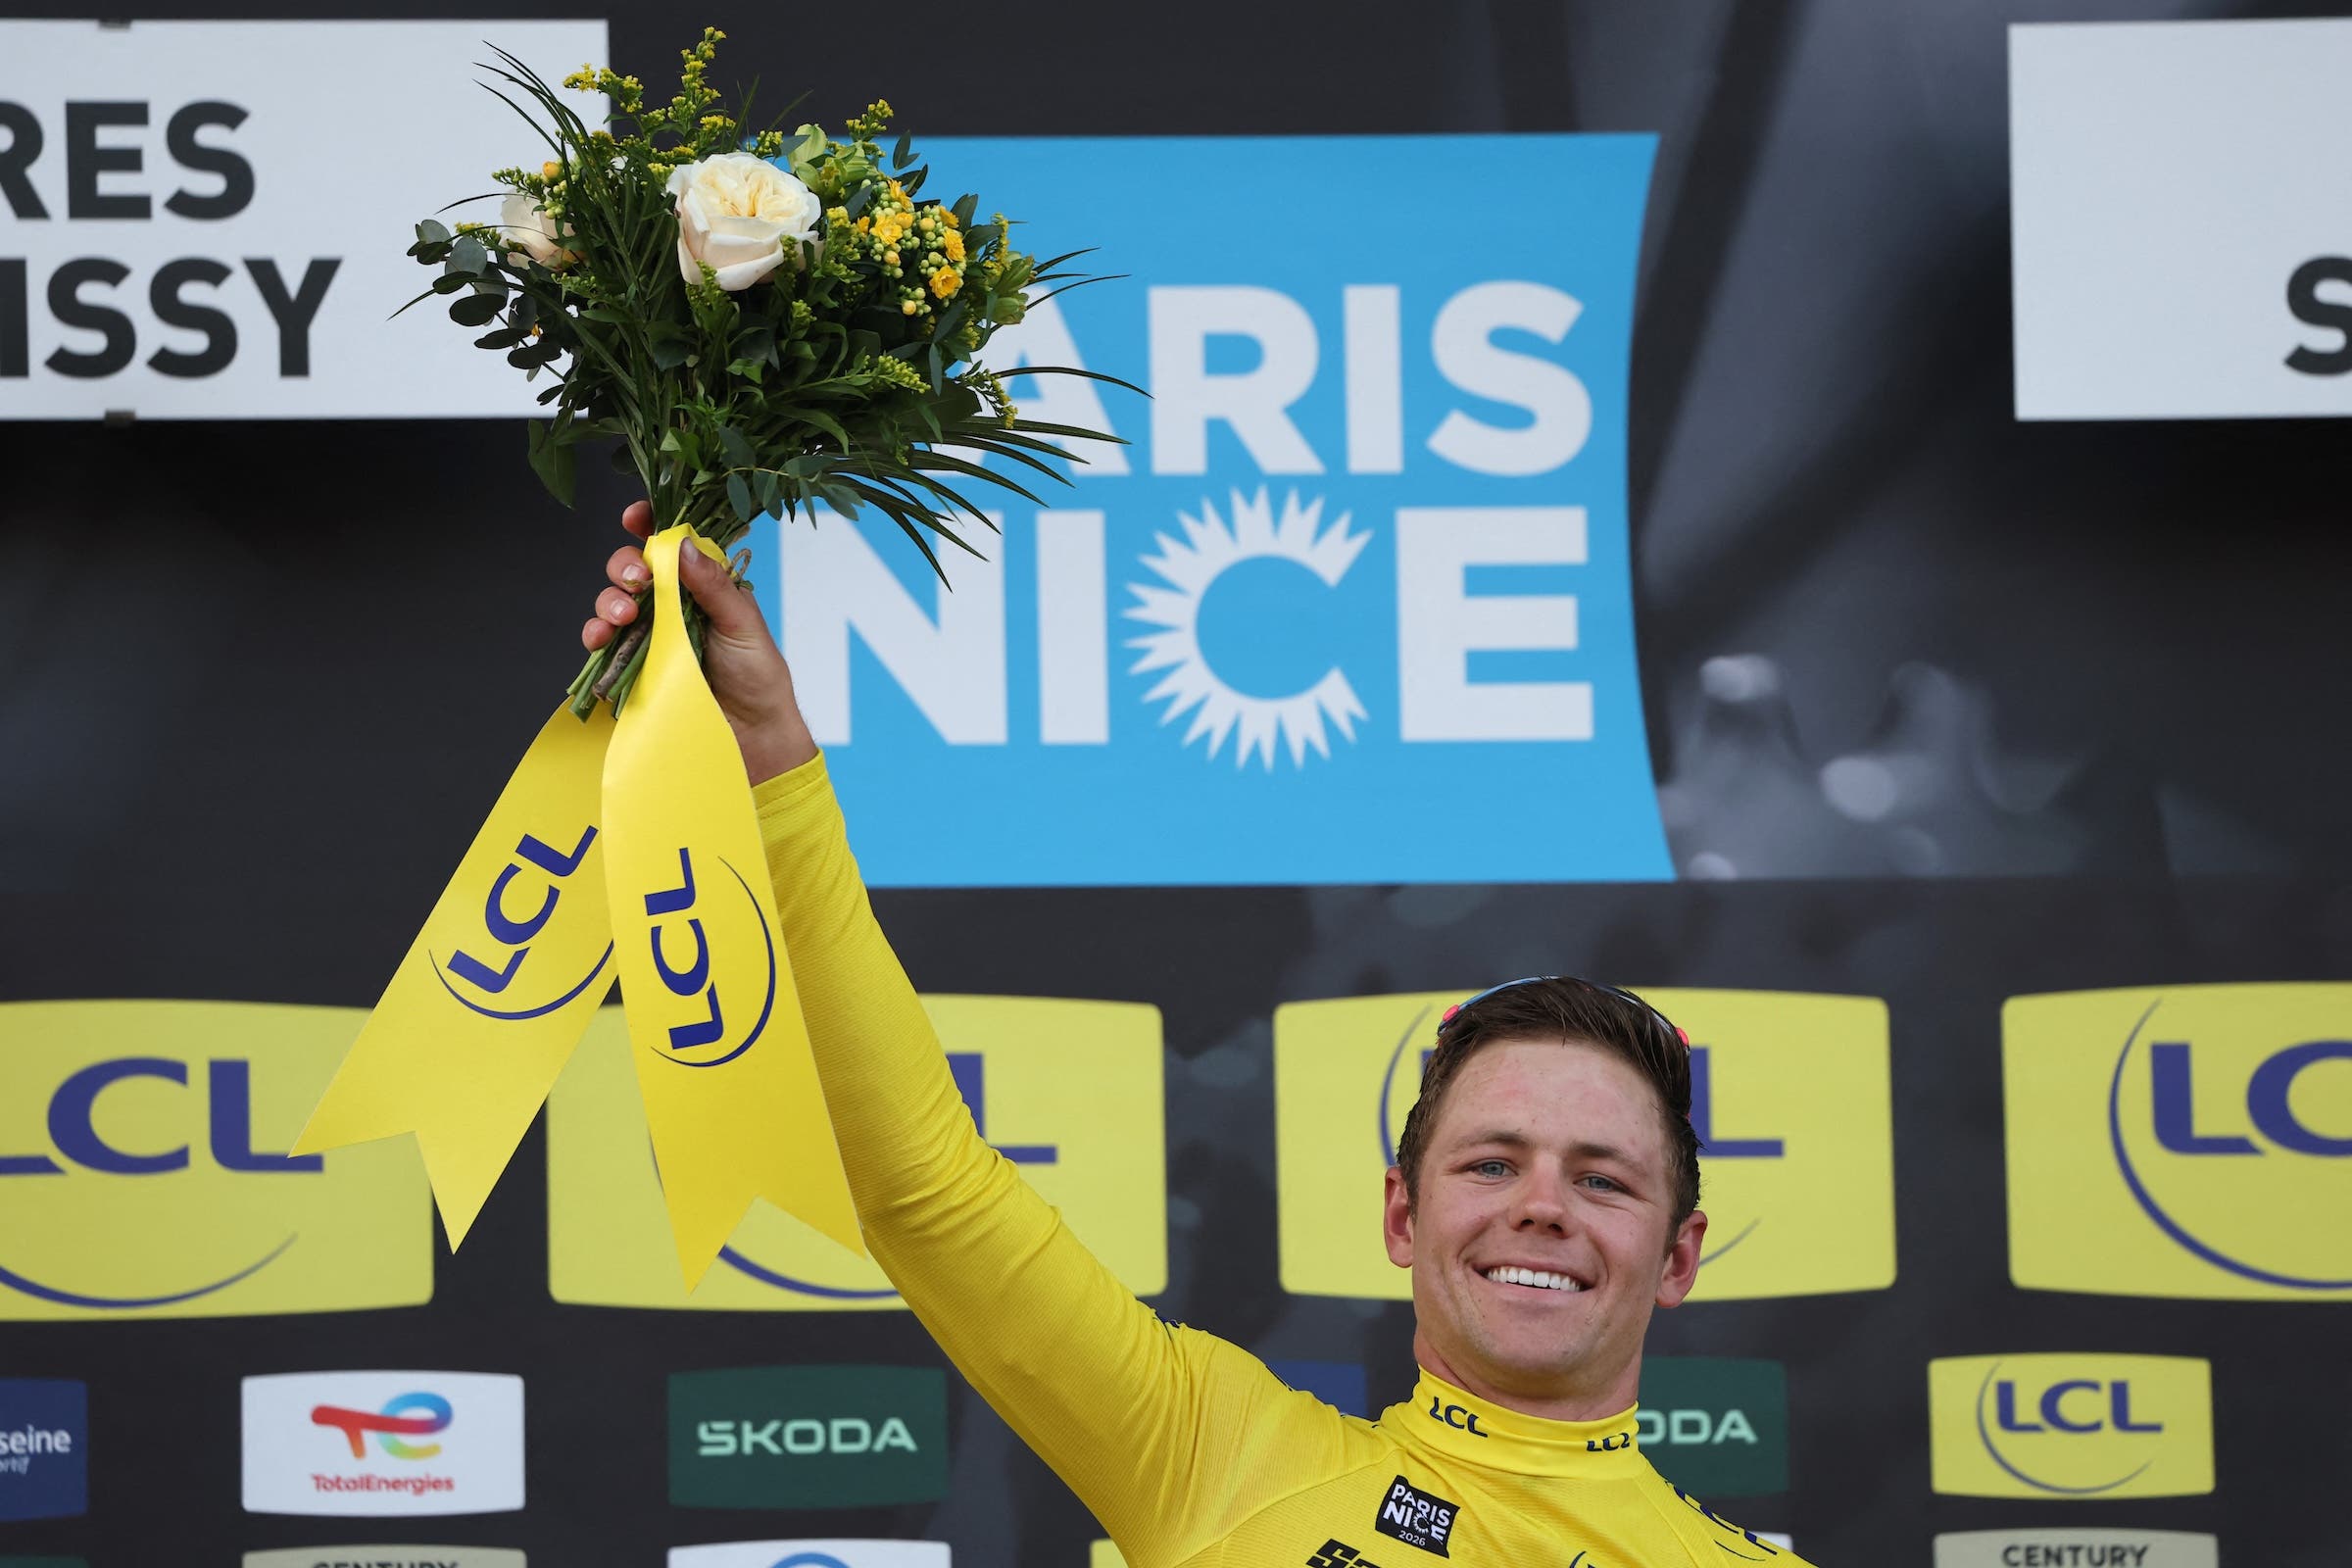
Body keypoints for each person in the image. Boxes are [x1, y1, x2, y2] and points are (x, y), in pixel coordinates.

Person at [585, 502, 1815, 1567]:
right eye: (1491, 1162)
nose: (1541, 1205)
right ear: (1402, 1213)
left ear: (1680, 1253)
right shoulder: (1219, 1454)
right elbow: (923, 1188)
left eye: (1601, 1177)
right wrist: (771, 772)